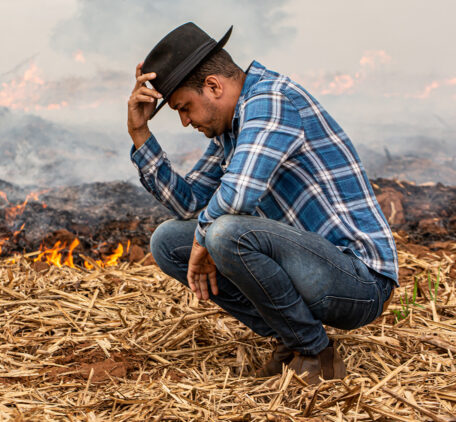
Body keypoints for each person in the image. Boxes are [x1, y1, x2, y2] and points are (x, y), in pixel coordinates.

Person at [127, 22, 398, 384]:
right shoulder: (230, 129)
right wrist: (140, 134)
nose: (185, 121)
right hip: (309, 266)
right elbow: (191, 204)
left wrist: (204, 239)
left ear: (213, 86)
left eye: (185, 107)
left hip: (360, 281)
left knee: (225, 232)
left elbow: (238, 194)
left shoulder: (271, 99)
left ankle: (317, 354)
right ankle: (294, 337)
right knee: (168, 241)